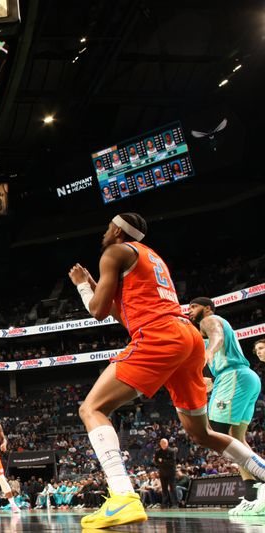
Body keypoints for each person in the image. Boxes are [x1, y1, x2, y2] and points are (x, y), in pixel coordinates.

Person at [68, 212, 265, 528]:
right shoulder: (150, 257)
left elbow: (97, 311)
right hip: (186, 337)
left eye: (108, 227)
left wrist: (82, 286)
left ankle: (122, 496)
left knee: (91, 408)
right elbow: (125, 318)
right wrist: (95, 282)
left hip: (160, 335)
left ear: (118, 230)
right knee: (201, 433)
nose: (105, 232)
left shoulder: (113, 251)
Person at [188, 297, 263, 515]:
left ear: (207, 308)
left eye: (194, 307)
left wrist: (209, 352)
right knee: (236, 439)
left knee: (215, 432)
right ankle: (252, 492)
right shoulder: (202, 339)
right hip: (240, 377)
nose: (190, 311)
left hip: (234, 376)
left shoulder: (211, 320)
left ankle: (262, 481)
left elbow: (217, 336)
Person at [153, 439, 177, 508]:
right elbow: (156, 461)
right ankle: (165, 504)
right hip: (162, 472)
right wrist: (163, 462)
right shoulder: (158, 451)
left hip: (171, 472)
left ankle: (175, 504)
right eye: (162, 443)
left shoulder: (172, 451)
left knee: (172, 488)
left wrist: (162, 461)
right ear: (160, 444)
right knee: (164, 489)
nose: (163, 444)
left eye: (165, 443)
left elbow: (172, 461)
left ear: (167, 443)